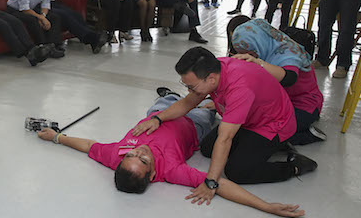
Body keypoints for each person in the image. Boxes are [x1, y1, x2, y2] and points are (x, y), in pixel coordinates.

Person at [35, 90, 305, 218]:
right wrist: (266, 206)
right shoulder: (173, 171)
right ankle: (205, 104)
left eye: (132, 154)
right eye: (143, 160)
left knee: (163, 102)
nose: (139, 150)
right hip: (193, 121)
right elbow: (220, 184)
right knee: (209, 108)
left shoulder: (114, 156)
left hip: (158, 112)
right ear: (152, 176)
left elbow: (88, 145)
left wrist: (58, 137)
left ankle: (171, 95)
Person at [132, 47, 317, 192]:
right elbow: (187, 103)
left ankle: (294, 167)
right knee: (207, 149)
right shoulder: (214, 69)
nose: (189, 91)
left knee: (237, 171)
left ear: (210, 79)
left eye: (191, 86)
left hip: (273, 124)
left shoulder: (240, 88)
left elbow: (225, 138)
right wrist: (157, 118)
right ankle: (266, 147)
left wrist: (211, 182)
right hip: (248, 118)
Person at [227, 17, 325, 145]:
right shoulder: (265, 51)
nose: (250, 56)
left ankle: (307, 135)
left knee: (266, 135)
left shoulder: (288, 52)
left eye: (251, 53)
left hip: (304, 106)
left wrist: (258, 63)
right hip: (280, 103)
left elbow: (289, 78)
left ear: (259, 43)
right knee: (250, 127)